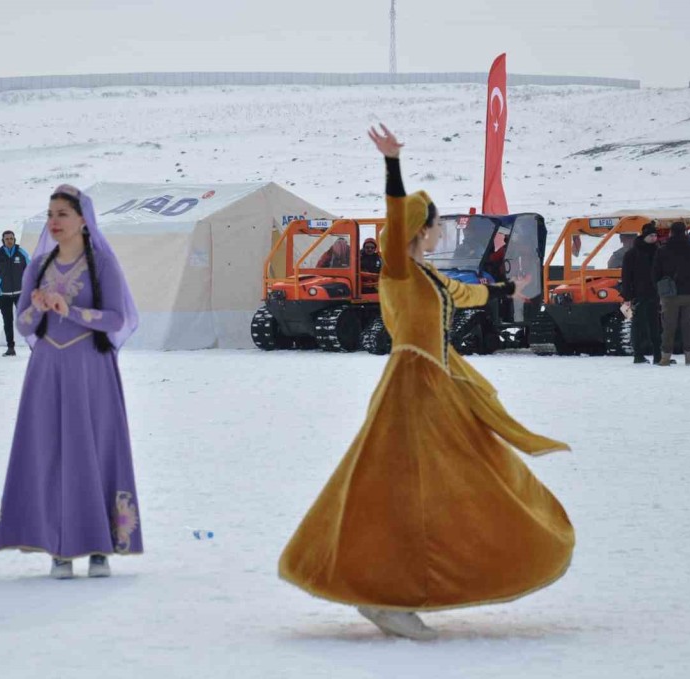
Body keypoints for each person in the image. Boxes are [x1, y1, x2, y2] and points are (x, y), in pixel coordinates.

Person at [278, 125, 574, 641]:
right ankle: (388, 594)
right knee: (403, 491)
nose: (441, 235)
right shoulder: (397, 269)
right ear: (421, 229)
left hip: (439, 387)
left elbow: (464, 295)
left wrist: (506, 287)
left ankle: (399, 588)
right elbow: (395, 217)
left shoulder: (430, 277)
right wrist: (393, 166)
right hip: (410, 389)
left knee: (452, 481)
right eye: (436, 226)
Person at [0, 184, 142, 579]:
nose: (54, 221)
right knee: (50, 450)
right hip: (47, 371)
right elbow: (23, 322)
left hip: (92, 371)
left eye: (62, 214)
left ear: (82, 220)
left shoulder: (103, 264)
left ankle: (98, 548)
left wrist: (70, 310)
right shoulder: (36, 266)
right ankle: (58, 547)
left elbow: (117, 318)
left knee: (94, 450)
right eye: (50, 214)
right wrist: (38, 309)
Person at [652, 221, 690, 366]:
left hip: (669, 295)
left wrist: (660, 289)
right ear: (685, 233)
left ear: (671, 233)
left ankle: (665, 358)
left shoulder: (662, 250)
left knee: (668, 326)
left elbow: (655, 273)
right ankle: (689, 357)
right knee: (689, 326)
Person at [620, 222, 664, 364]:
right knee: (638, 325)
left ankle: (658, 355)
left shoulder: (659, 252)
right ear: (644, 236)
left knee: (655, 326)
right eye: (651, 235)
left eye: (655, 235)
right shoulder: (632, 254)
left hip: (655, 293)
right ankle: (638, 355)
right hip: (638, 295)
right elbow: (626, 277)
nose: (654, 238)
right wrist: (627, 296)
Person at [0, 230, 30, 356]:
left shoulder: (21, 253)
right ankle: (10, 348)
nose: (9, 240)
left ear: (14, 239)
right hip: (4, 295)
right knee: (8, 321)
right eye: (7, 239)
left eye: (11, 238)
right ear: (3, 240)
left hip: (21, 294)